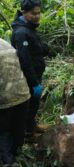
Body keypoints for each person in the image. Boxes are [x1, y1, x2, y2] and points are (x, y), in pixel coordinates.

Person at [11, 0, 49, 137]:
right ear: (24, 12)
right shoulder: (21, 33)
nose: (37, 16)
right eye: (33, 13)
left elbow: (34, 48)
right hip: (28, 77)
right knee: (27, 105)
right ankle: (27, 134)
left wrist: (43, 48)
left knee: (33, 104)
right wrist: (34, 83)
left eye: (39, 13)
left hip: (35, 74)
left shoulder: (29, 27)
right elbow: (24, 60)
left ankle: (32, 126)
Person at [0, 38, 31, 167]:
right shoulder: (4, 43)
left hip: (5, 97)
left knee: (3, 129)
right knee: (18, 126)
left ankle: (8, 160)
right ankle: (17, 153)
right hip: (23, 92)